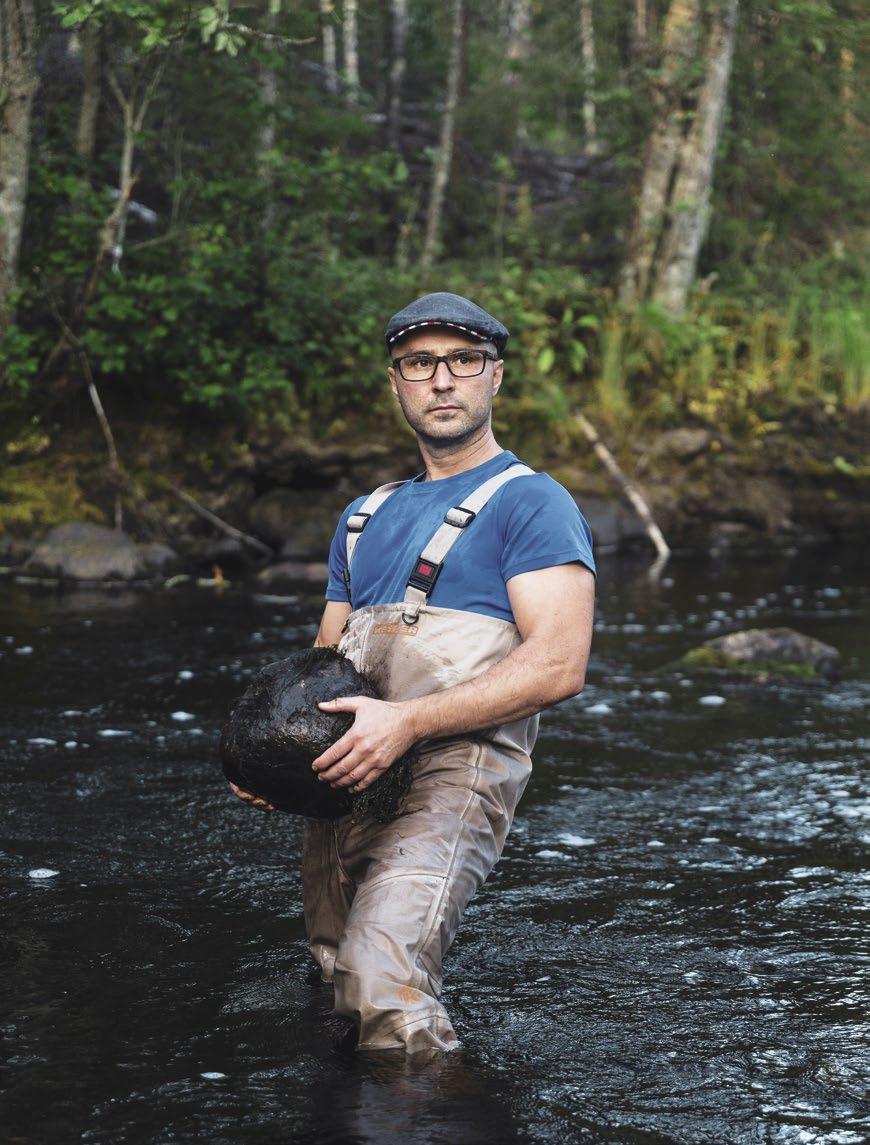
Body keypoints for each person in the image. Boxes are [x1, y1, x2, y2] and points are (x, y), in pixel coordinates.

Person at [231, 291, 596, 1055]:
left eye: (463, 361)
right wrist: (271, 759)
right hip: (347, 777)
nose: (441, 379)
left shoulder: (532, 503)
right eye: (419, 363)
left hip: (453, 772)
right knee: (332, 978)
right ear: (395, 382)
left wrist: (409, 721)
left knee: (380, 980)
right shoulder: (363, 515)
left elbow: (560, 663)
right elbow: (322, 671)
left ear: (494, 377)